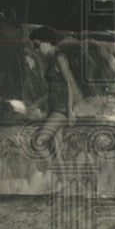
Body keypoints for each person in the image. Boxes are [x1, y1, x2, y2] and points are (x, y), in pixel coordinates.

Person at [29, 26, 82, 156]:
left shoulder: (60, 57)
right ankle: (54, 175)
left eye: (37, 45)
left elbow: (69, 83)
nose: (36, 50)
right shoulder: (51, 58)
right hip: (54, 107)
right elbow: (53, 89)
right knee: (52, 147)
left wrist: (69, 110)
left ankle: (46, 174)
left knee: (38, 141)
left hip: (61, 109)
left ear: (46, 41)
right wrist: (36, 103)